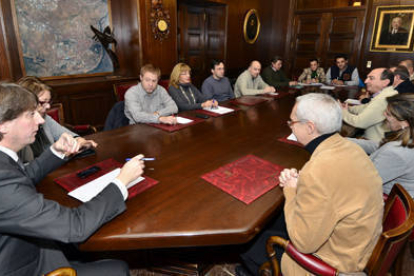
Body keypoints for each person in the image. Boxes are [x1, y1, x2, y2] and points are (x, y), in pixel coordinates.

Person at [0, 83, 145, 275]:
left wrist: (55, 152)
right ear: (4, 125)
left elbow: (23, 177)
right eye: (30, 115)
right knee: (118, 268)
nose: (41, 120)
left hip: (28, 243)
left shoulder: (5, 159)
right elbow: (75, 226)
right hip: (24, 264)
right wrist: (121, 181)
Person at [239, 93, 383, 276]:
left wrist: (291, 189)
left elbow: (303, 243)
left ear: (309, 127)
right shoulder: (352, 148)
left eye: (292, 122)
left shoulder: (317, 171)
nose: (290, 126)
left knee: (249, 244)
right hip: (359, 244)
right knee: (275, 221)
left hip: (333, 264)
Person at [17, 76, 97, 163]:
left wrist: (79, 141)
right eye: (43, 102)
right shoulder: (14, 129)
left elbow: (68, 135)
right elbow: (21, 170)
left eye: (49, 102)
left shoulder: (45, 118)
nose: (48, 106)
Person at [350, 93, 414, 198]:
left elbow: (361, 182)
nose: (384, 114)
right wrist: (342, 141)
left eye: (389, 114)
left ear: (405, 123)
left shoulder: (396, 152)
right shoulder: (406, 140)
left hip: (385, 202)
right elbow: (379, 146)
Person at [341, 68, 397, 142]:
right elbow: (365, 107)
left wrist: (342, 111)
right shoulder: (387, 93)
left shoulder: (383, 99)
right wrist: (348, 108)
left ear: (385, 82)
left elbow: (359, 122)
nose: (365, 81)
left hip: (375, 142)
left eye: (371, 78)